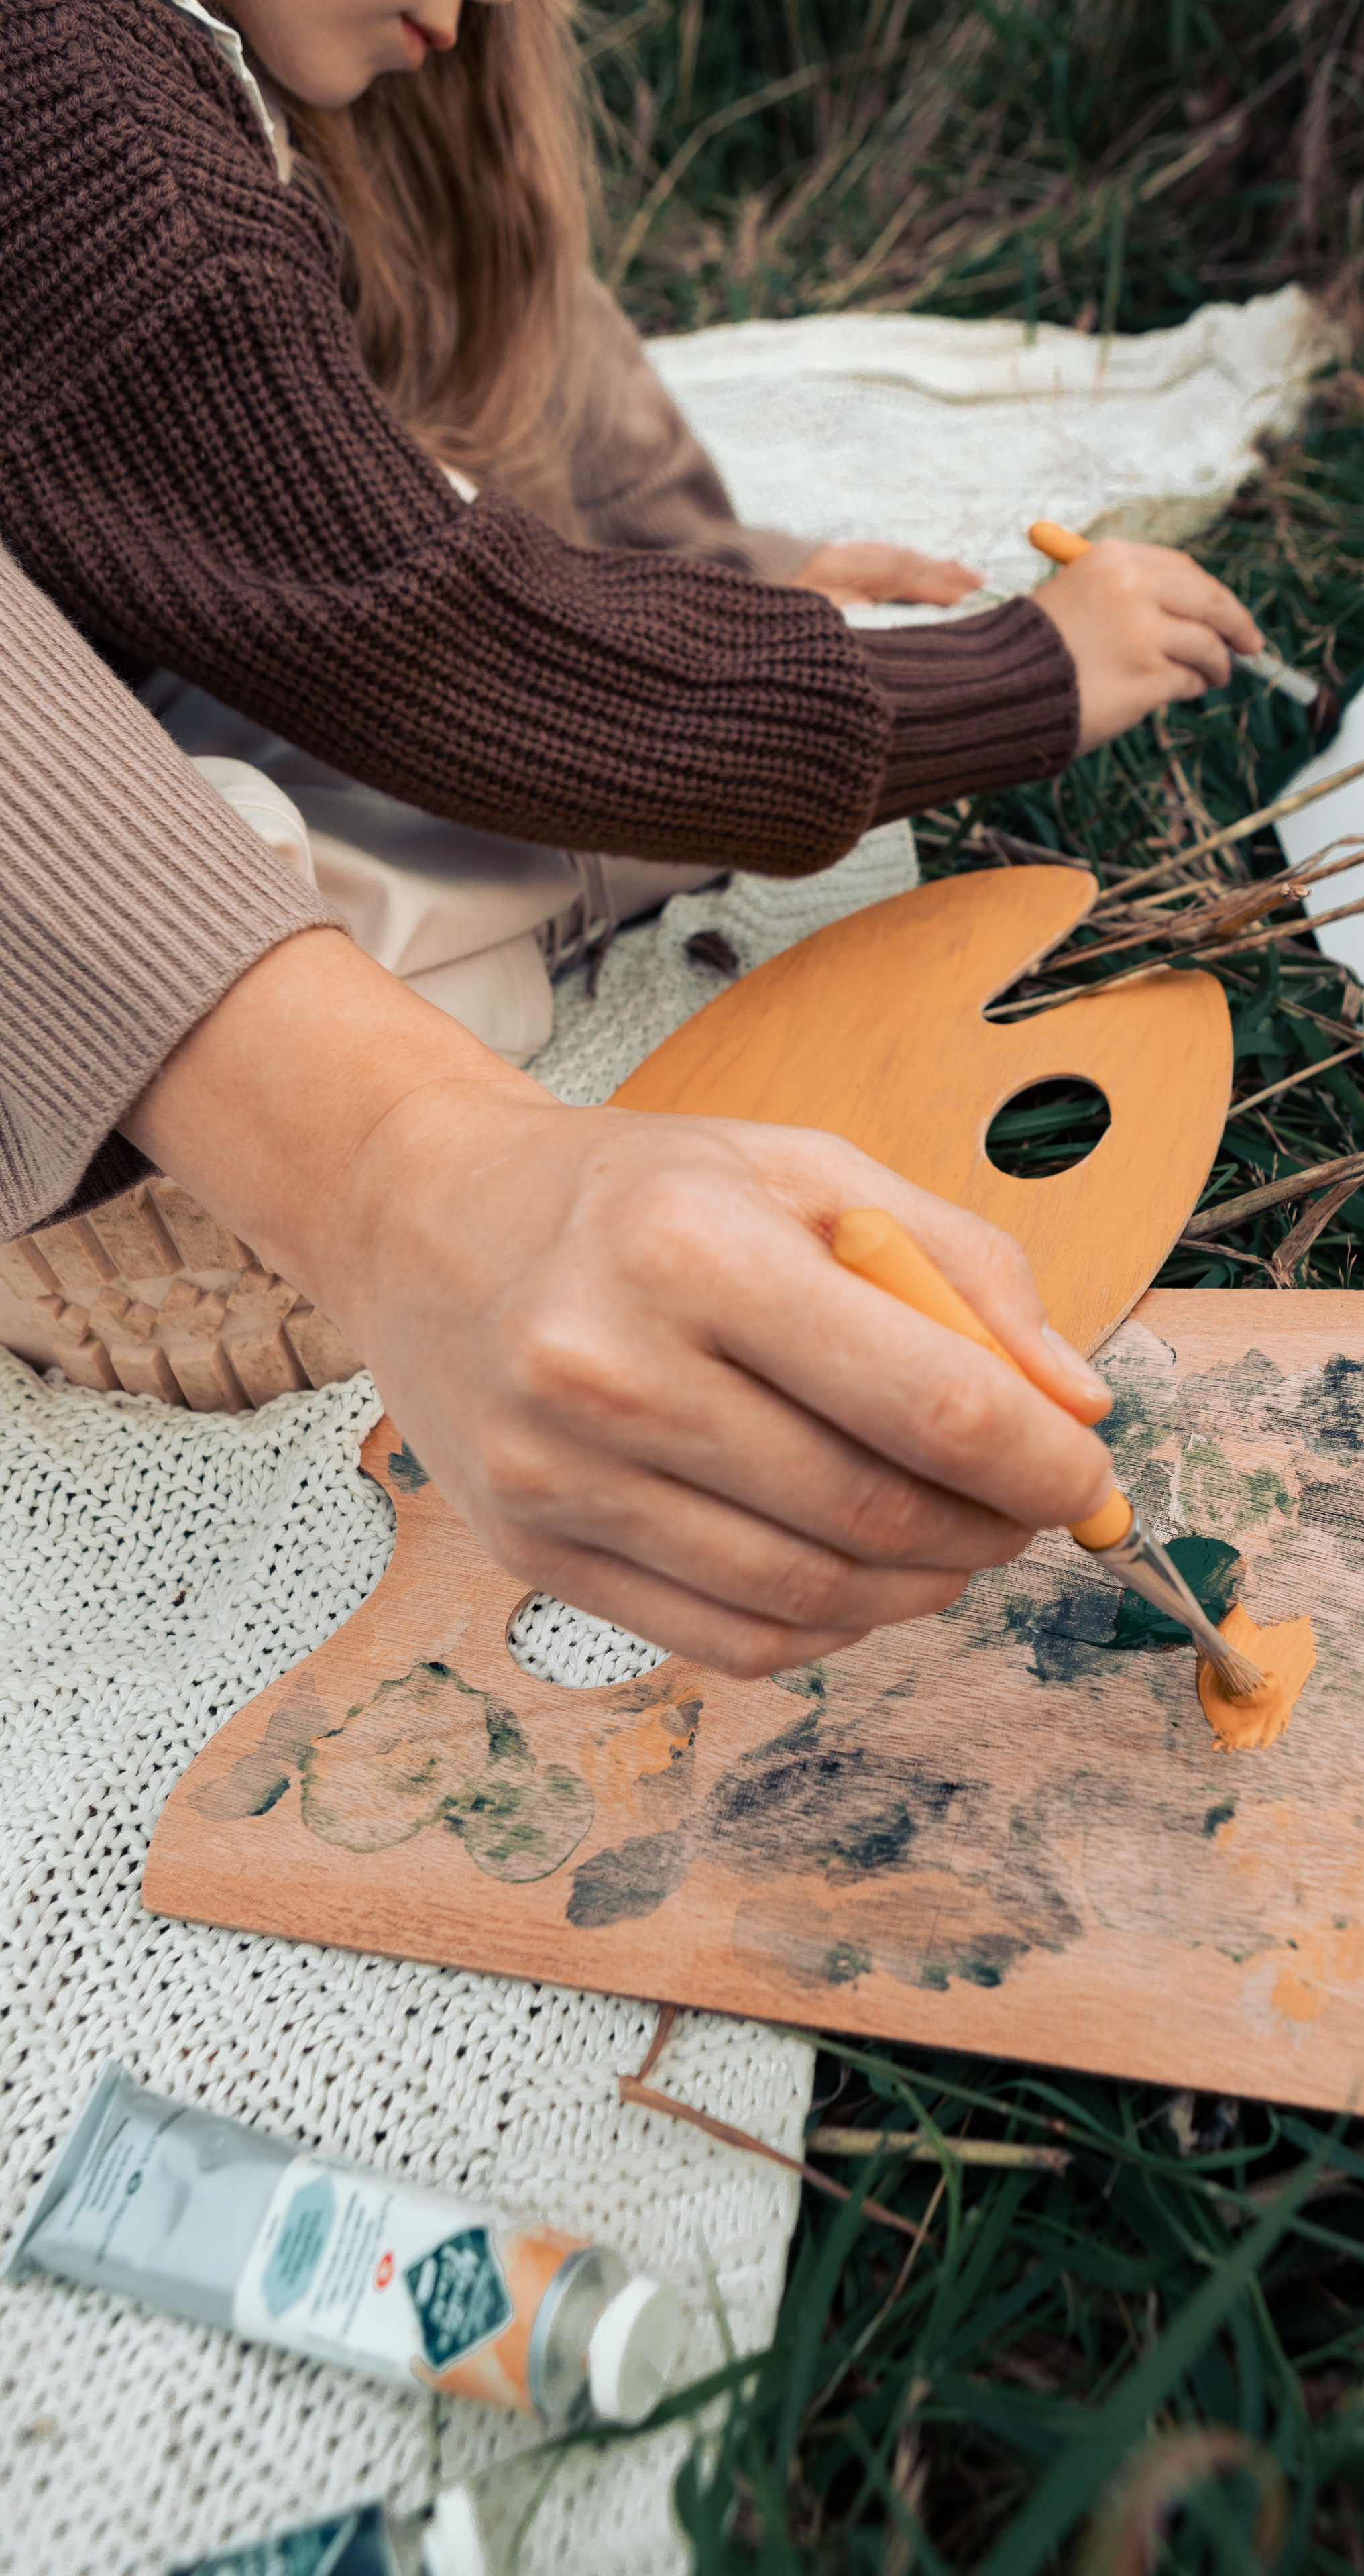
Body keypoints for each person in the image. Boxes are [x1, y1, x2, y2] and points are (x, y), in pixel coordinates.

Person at [0, 0, 1262, 1672]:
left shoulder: (237, 75)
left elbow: (511, 373)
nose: (453, 21)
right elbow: (448, 647)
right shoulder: (87, 125)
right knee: (390, 871)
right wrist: (1008, 678)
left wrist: (737, 573)